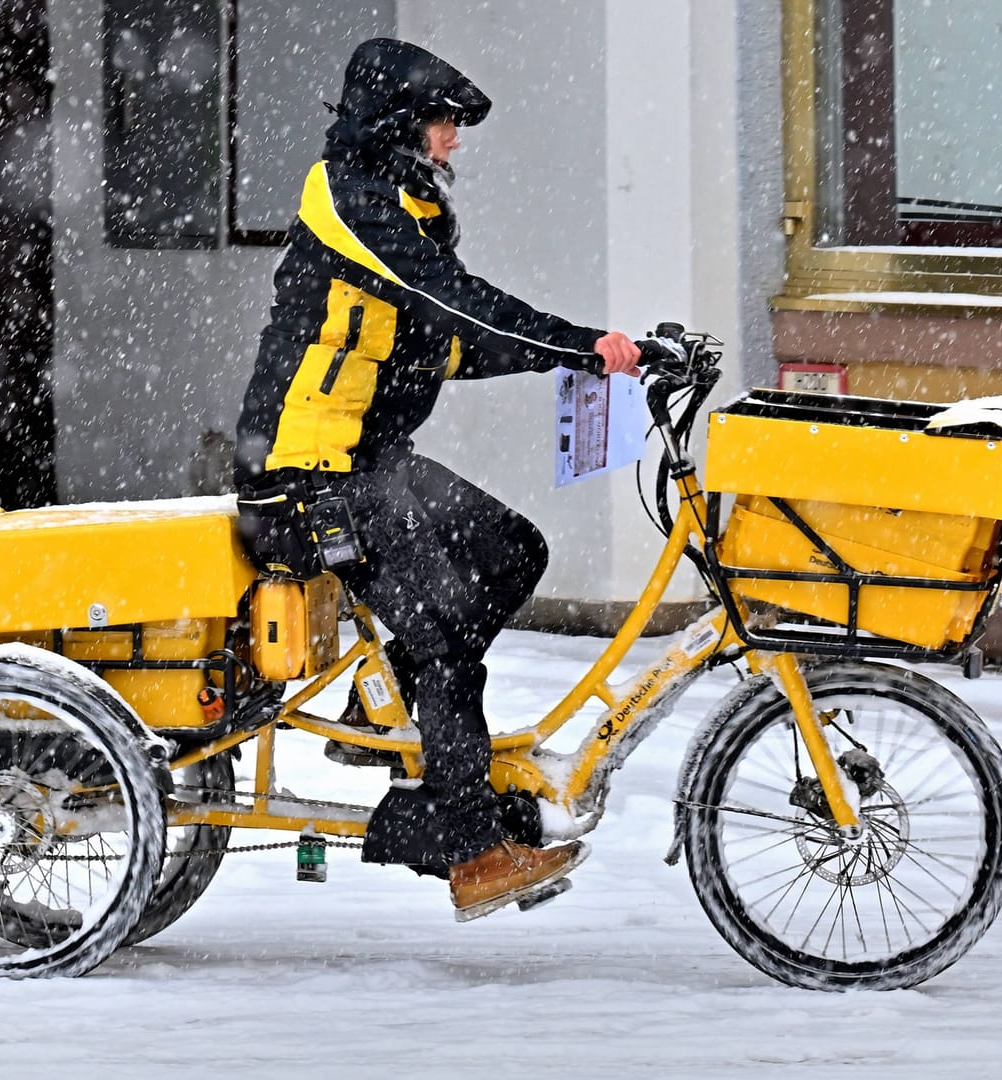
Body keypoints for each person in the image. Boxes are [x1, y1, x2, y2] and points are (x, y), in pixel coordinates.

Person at [233, 37, 641, 920]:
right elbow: (453, 301)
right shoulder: (347, 198)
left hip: (370, 464)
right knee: (445, 641)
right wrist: (579, 342)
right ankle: (464, 844)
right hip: (305, 474)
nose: (454, 140)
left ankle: (393, 725)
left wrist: (599, 359)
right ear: (396, 124)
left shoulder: (405, 210)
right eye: (443, 122)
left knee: (510, 552)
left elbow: (448, 343)